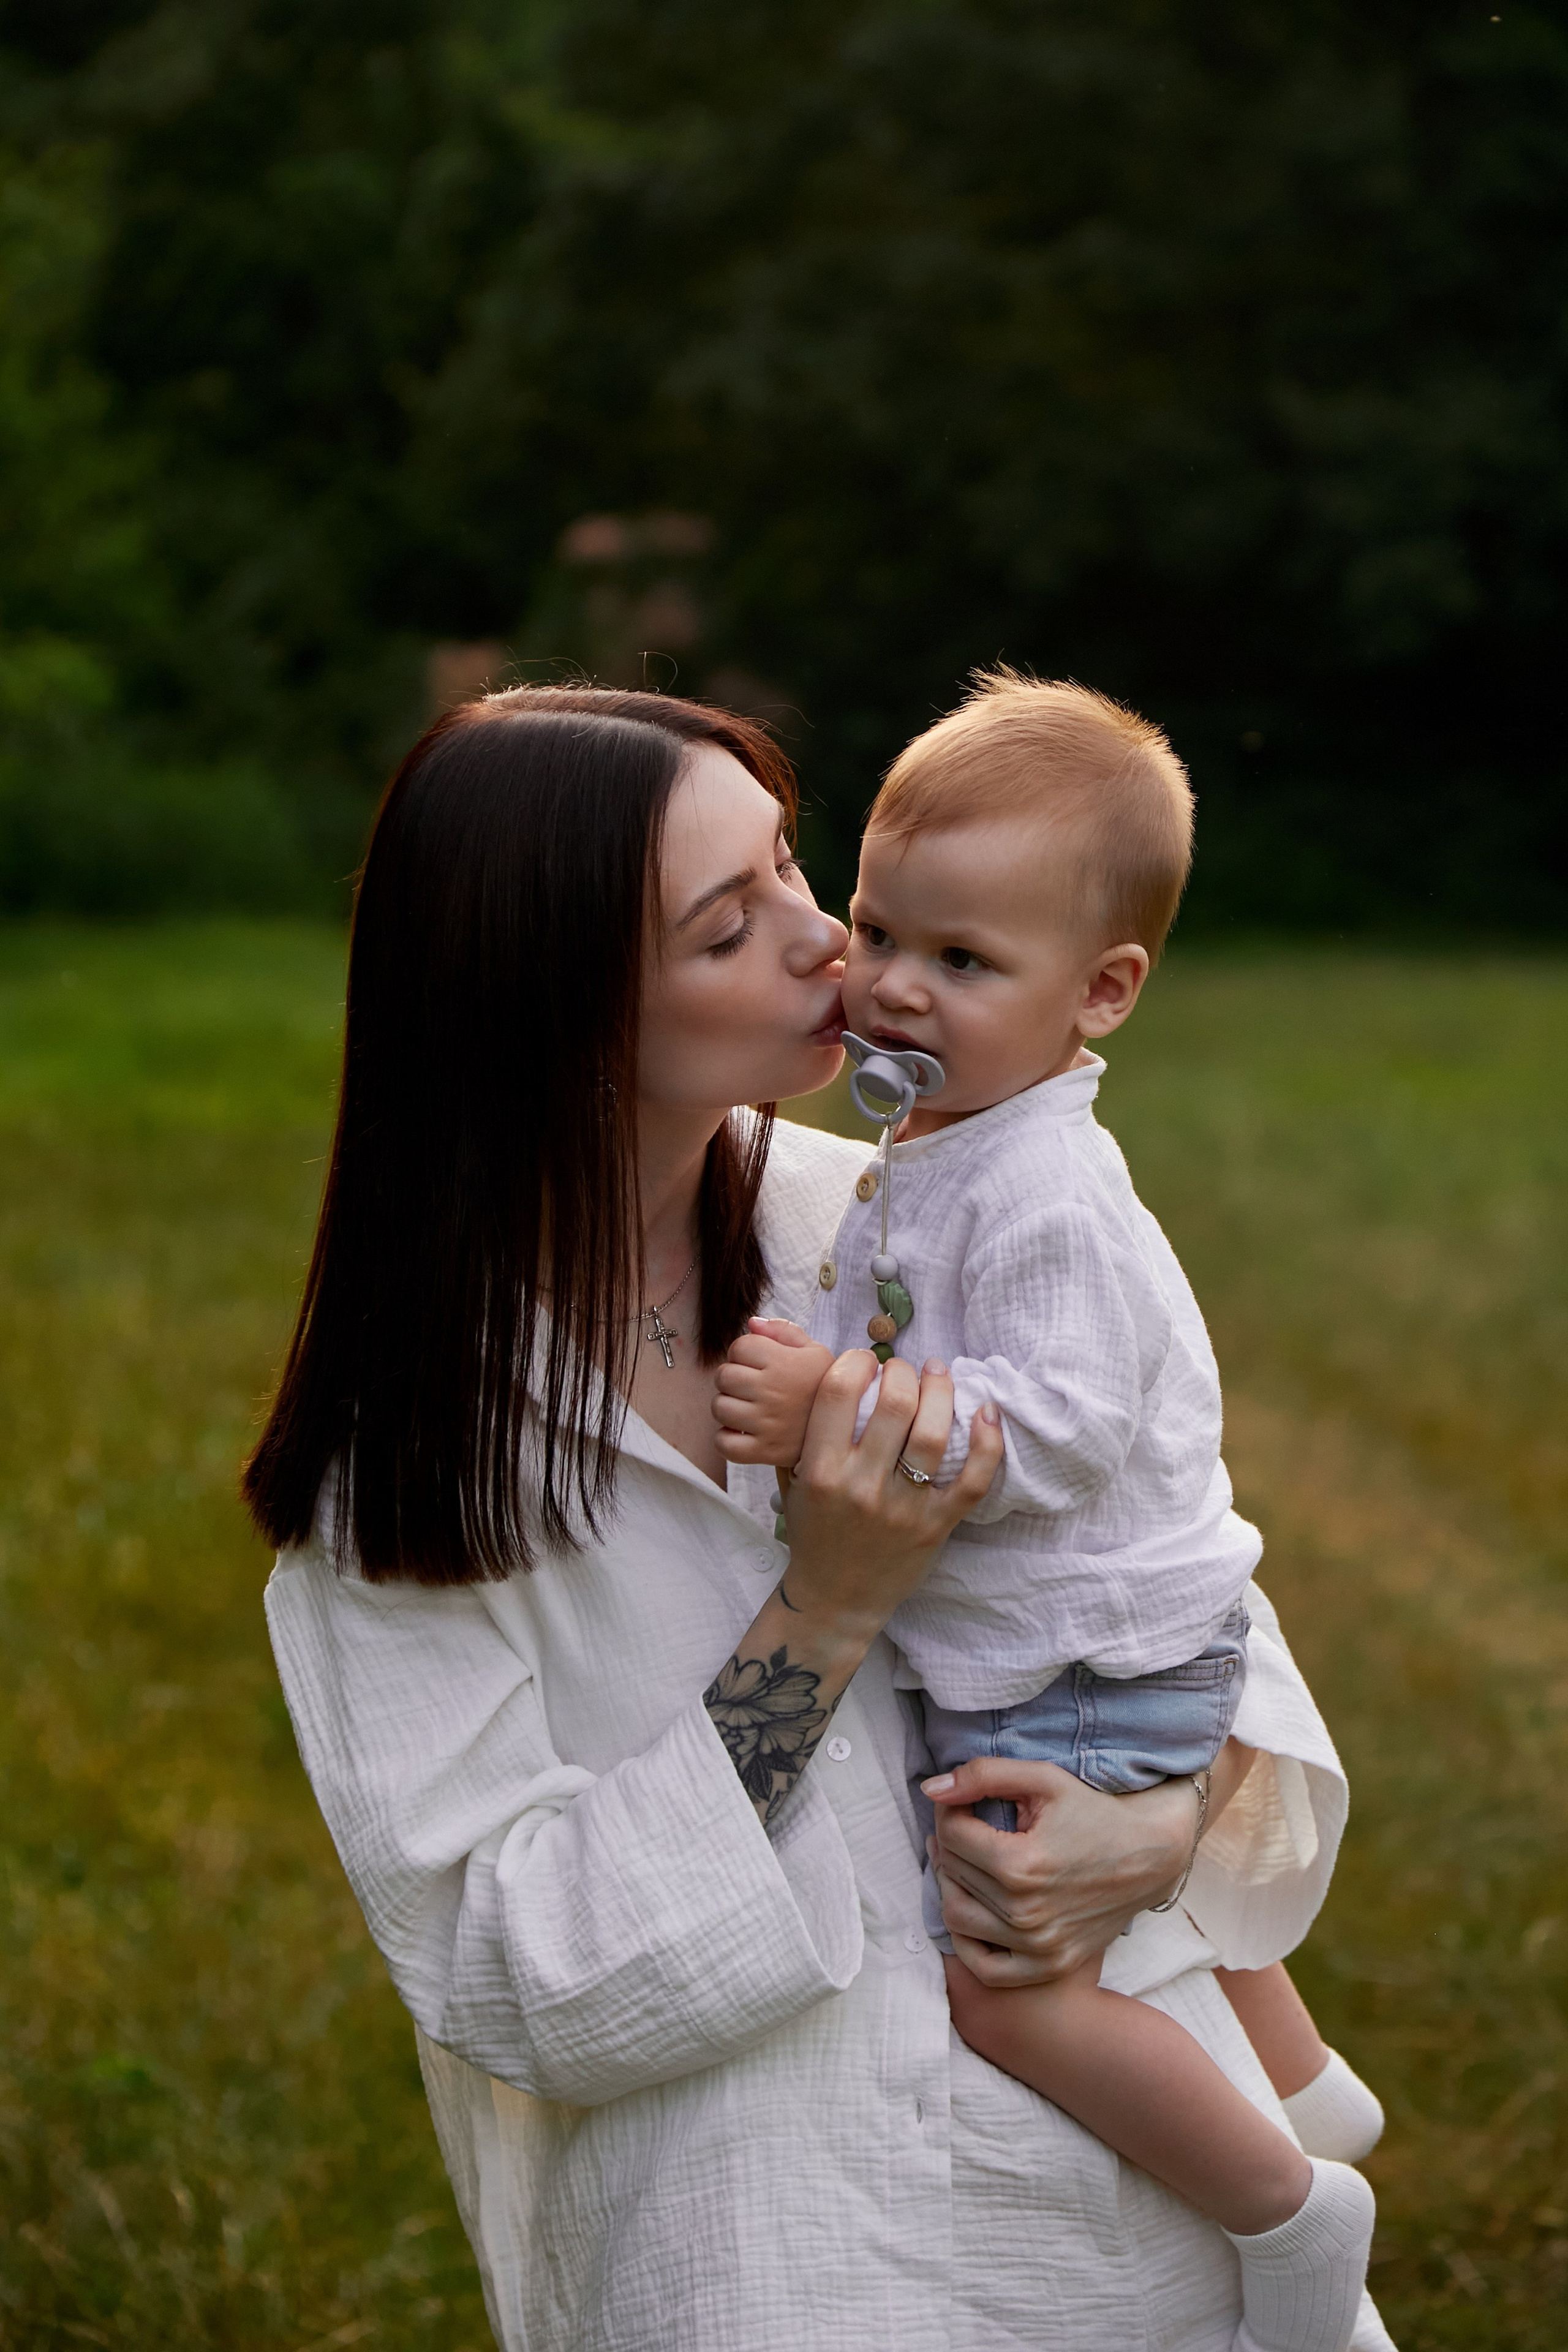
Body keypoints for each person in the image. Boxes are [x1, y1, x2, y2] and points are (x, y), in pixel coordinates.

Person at [249, 682, 1394, 2351]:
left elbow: (1165, 1570)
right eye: (737, 925)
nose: (827, 947)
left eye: (800, 870)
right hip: (779, 2244)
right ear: (556, 1009)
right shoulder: (411, 1463)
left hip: (1135, 2200)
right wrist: (826, 1610)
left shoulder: (907, 1211)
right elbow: (512, 1971)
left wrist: (1158, 1830)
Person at [714, 671, 1389, 2352]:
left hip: (1083, 1659)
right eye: (879, 929)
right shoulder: (953, 1140)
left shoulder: (1041, 1192)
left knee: (1017, 1997)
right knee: (1125, 1884)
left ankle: (1293, 2215)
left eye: (960, 964)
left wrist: (831, 1413)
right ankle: (1307, 2085)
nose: (884, 986)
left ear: (1102, 994)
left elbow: (1066, 1435)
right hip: (1114, 1638)